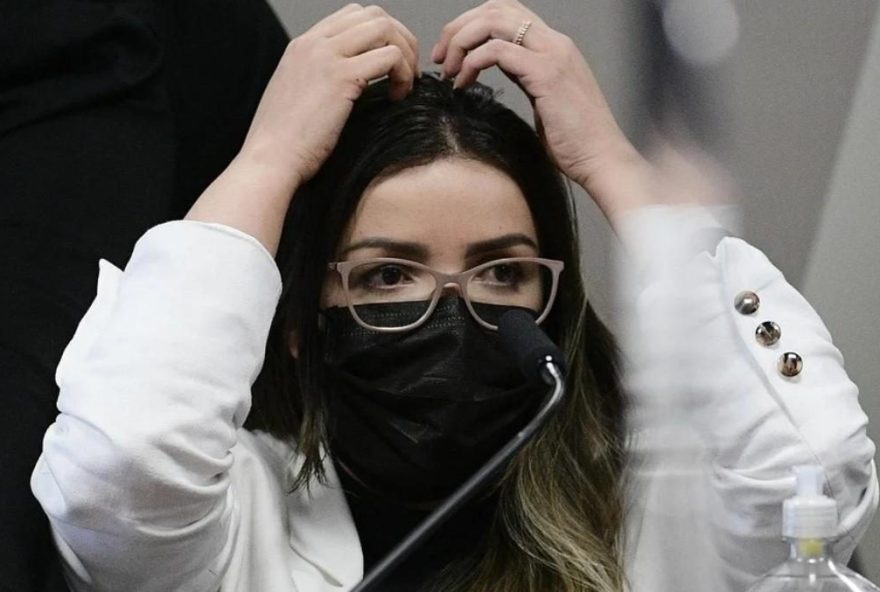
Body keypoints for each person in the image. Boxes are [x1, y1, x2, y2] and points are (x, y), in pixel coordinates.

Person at [29, 2, 877, 592]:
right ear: (296, 325)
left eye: (502, 272)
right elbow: (119, 468)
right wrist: (268, 161)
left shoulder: (654, 519)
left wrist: (613, 165)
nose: (452, 316)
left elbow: (816, 473)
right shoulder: (228, 523)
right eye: (387, 275)